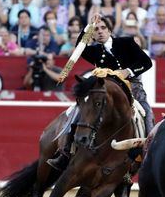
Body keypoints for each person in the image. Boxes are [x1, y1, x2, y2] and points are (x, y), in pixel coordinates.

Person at [46, 13, 153, 170]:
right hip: (106, 91)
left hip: (132, 88)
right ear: (93, 35)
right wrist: (88, 26)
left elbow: (146, 62)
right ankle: (66, 152)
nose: (100, 31)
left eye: (103, 28)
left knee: (147, 113)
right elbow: (80, 47)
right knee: (79, 110)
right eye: (96, 30)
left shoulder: (126, 42)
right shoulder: (95, 51)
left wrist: (128, 71)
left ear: (109, 30)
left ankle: (149, 154)